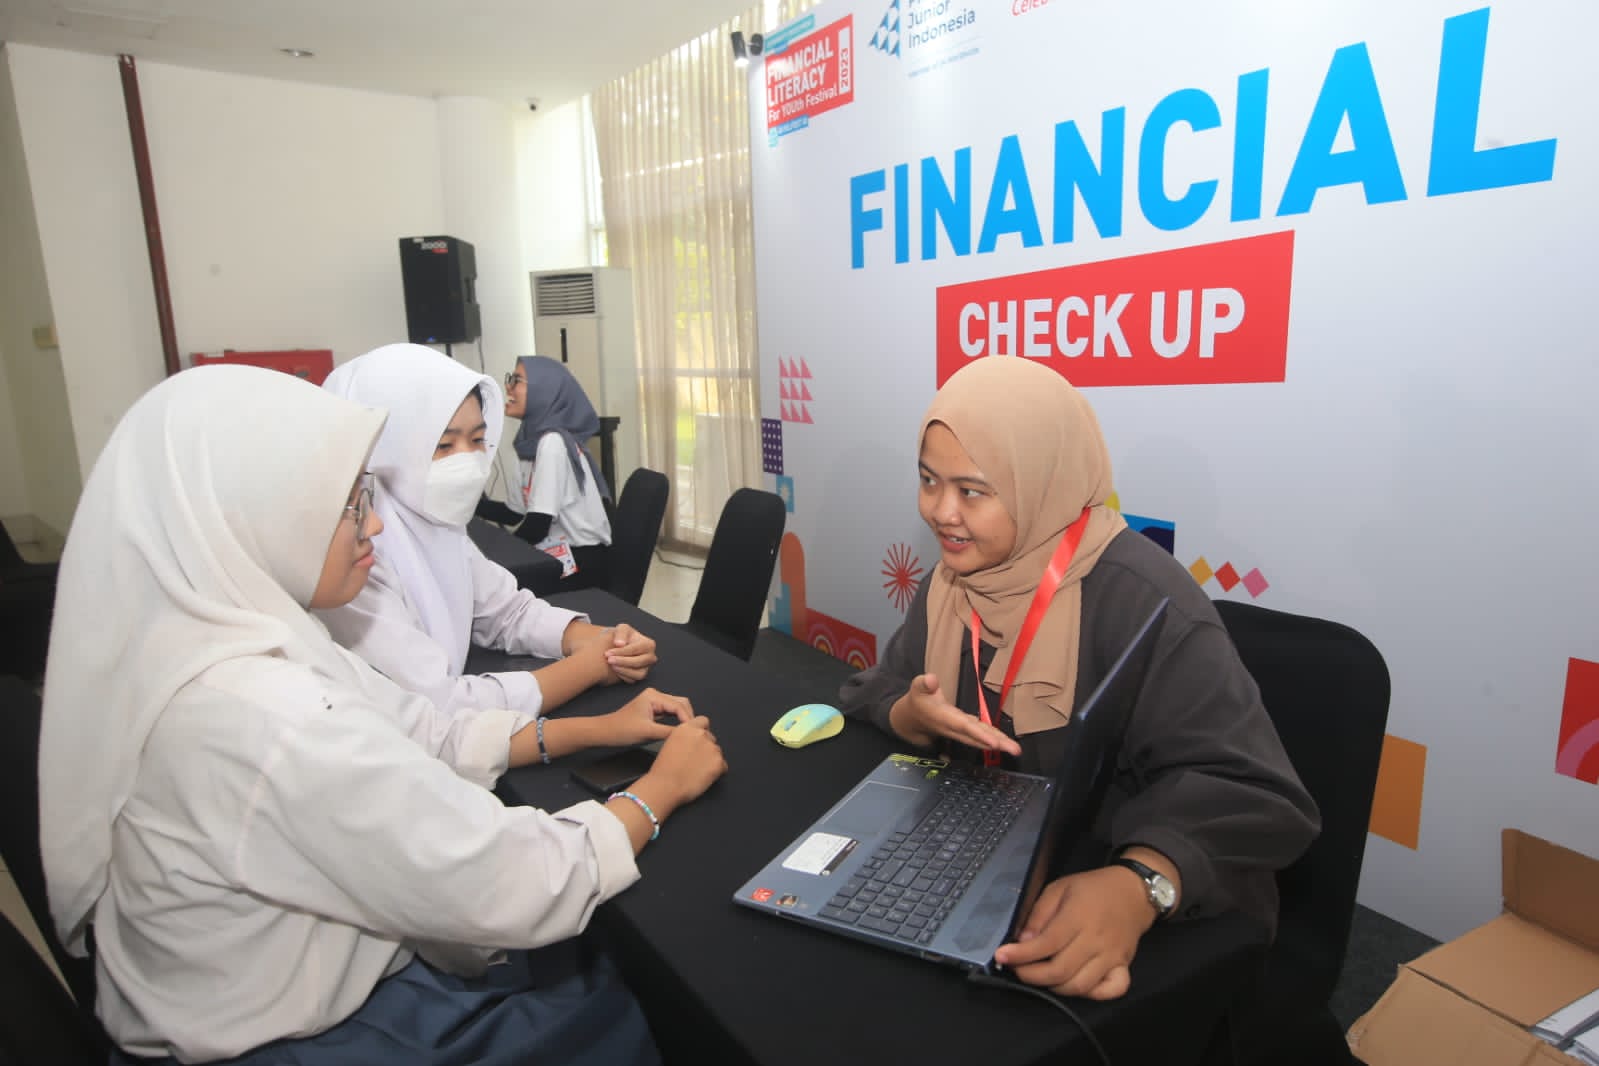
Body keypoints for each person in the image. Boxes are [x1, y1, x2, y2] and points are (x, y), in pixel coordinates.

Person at [38, 364, 727, 1064]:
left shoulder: (229, 640)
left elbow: (423, 731)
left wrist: (602, 730)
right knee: (616, 1006)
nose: (372, 522)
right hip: (289, 1037)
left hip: (255, 992)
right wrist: (657, 791)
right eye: (344, 504)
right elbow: (509, 881)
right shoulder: (265, 715)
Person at [837, 357, 1318, 1002]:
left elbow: (1256, 792)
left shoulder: (1144, 600)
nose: (941, 512)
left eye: (972, 490)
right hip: (991, 865)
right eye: (928, 481)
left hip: (1125, 898)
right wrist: (909, 715)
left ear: (1043, 482)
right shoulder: (955, 580)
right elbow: (881, 685)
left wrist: (1141, 884)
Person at [317, 345, 652, 742]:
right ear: (382, 446)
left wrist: (598, 639)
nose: (468, 461)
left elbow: (503, 610)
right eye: (444, 445)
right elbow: (438, 707)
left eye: (477, 440)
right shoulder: (349, 553)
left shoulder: (435, 521)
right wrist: (588, 668)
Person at [487, 355, 614, 592]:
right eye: (510, 379)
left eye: (517, 380)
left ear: (544, 391)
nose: (508, 386)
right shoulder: (529, 443)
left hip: (583, 561)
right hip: (558, 552)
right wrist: (472, 507)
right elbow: (514, 513)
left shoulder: (553, 442)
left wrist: (499, 555)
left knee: (495, 590)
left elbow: (538, 525)